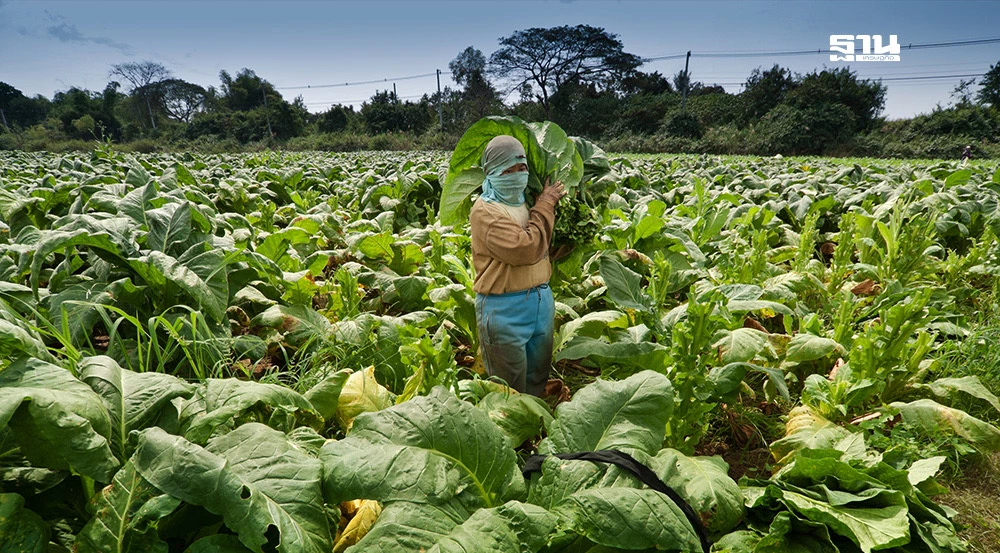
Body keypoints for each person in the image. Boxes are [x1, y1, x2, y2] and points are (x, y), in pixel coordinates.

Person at [470, 135, 566, 396]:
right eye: (507, 171)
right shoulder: (486, 211)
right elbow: (526, 250)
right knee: (509, 388)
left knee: (537, 378)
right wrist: (546, 204)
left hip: (540, 301)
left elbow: (545, 247)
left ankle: (535, 418)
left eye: (521, 168)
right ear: (491, 172)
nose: (517, 176)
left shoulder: (529, 200)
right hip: (503, 309)